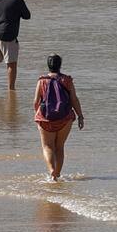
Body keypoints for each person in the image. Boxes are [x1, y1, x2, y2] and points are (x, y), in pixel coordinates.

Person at [33, 53, 85, 181]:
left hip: (45, 119)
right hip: (65, 118)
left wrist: (38, 116)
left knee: (47, 146)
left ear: (48, 65)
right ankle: (57, 173)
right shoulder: (67, 80)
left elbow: (36, 102)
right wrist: (80, 116)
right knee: (59, 147)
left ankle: (51, 171)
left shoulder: (42, 81)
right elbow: (74, 100)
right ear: (60, 65)